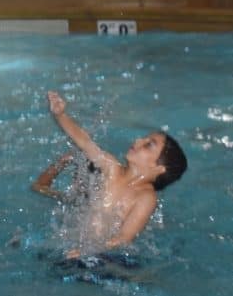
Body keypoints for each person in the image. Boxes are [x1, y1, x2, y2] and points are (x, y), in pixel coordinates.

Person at [45, 91, 187, 257]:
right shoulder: (111, 167)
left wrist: (86, 252)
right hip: (75, 247)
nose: (138, 141)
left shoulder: (145, 198)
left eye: (148, 145)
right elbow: (84, 141)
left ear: (159, 169)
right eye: (143, 139)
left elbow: (124, 238)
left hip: (104, 257)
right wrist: (61, 115)